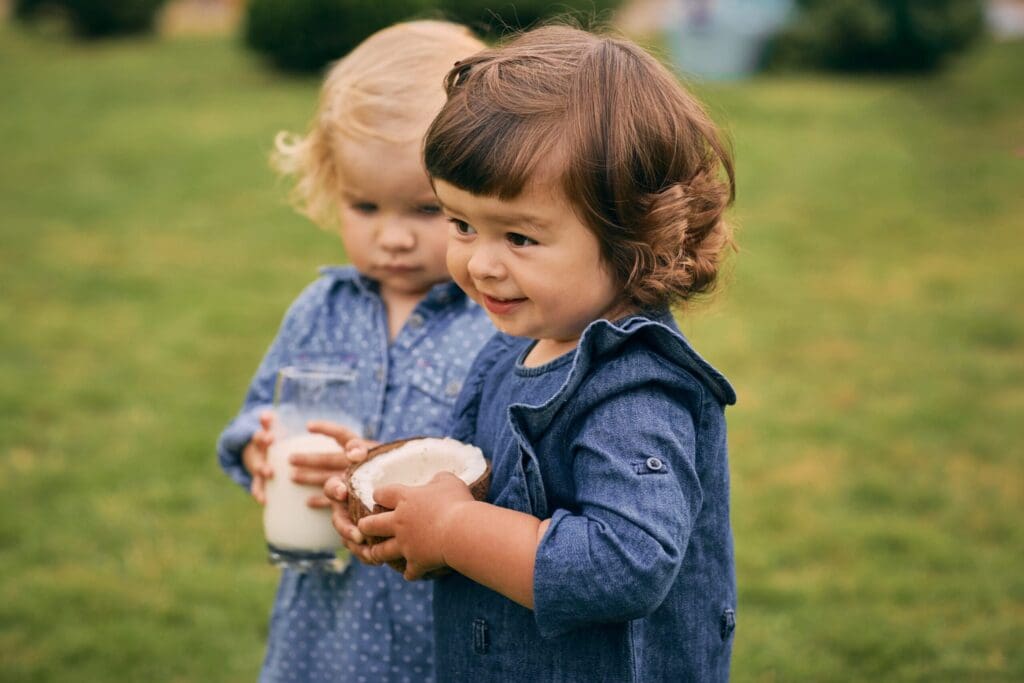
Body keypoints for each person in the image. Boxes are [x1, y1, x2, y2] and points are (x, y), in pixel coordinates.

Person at [327, 24, 739, 682]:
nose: (479, 264)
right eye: (461, 223)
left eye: (519, 236)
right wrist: (402, 503)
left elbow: (628, 562)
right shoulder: (511, 350)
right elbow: (487, 488)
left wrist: (455, 528)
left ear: (630, 236)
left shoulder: (632, 389)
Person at [215, 21, 491, 683]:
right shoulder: (322, 310)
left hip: (445, 613)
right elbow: (261, 415)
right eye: (364, 206)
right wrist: (259, 448)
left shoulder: (496, 321)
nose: (391, 237)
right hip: (329, 613)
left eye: (424, 210)